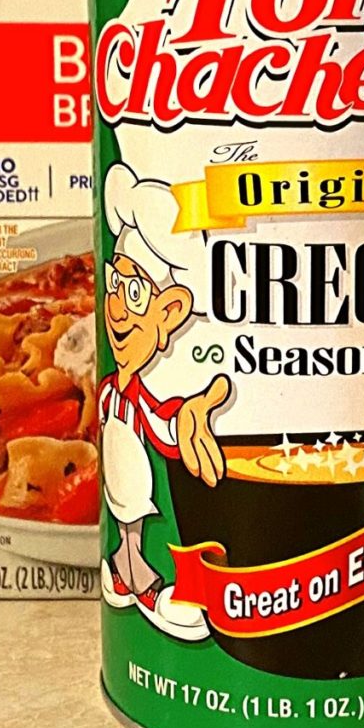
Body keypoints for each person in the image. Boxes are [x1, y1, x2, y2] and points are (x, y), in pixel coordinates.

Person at [97, 164, 232, 641]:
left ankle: (141, 577)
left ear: (171, 311)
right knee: (124, 508)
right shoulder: (113, 389)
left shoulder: (140, 396)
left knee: (136, 503)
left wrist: (189, 414)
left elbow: (163, 419)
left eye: (133, 294)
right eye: (115, 285)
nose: (113, 308)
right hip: (117, 459)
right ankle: (126, 568)